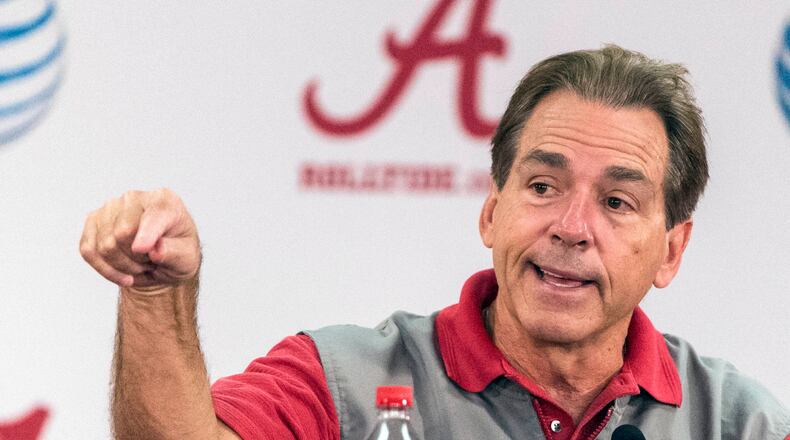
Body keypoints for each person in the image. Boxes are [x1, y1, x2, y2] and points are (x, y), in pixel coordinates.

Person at [80, 45, 790, 440]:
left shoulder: (739, 423)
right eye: (543, 186)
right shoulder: (343, 384)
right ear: (492, 211)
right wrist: (157, 295)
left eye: (615, 202)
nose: (572, 227)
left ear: (670, 251)